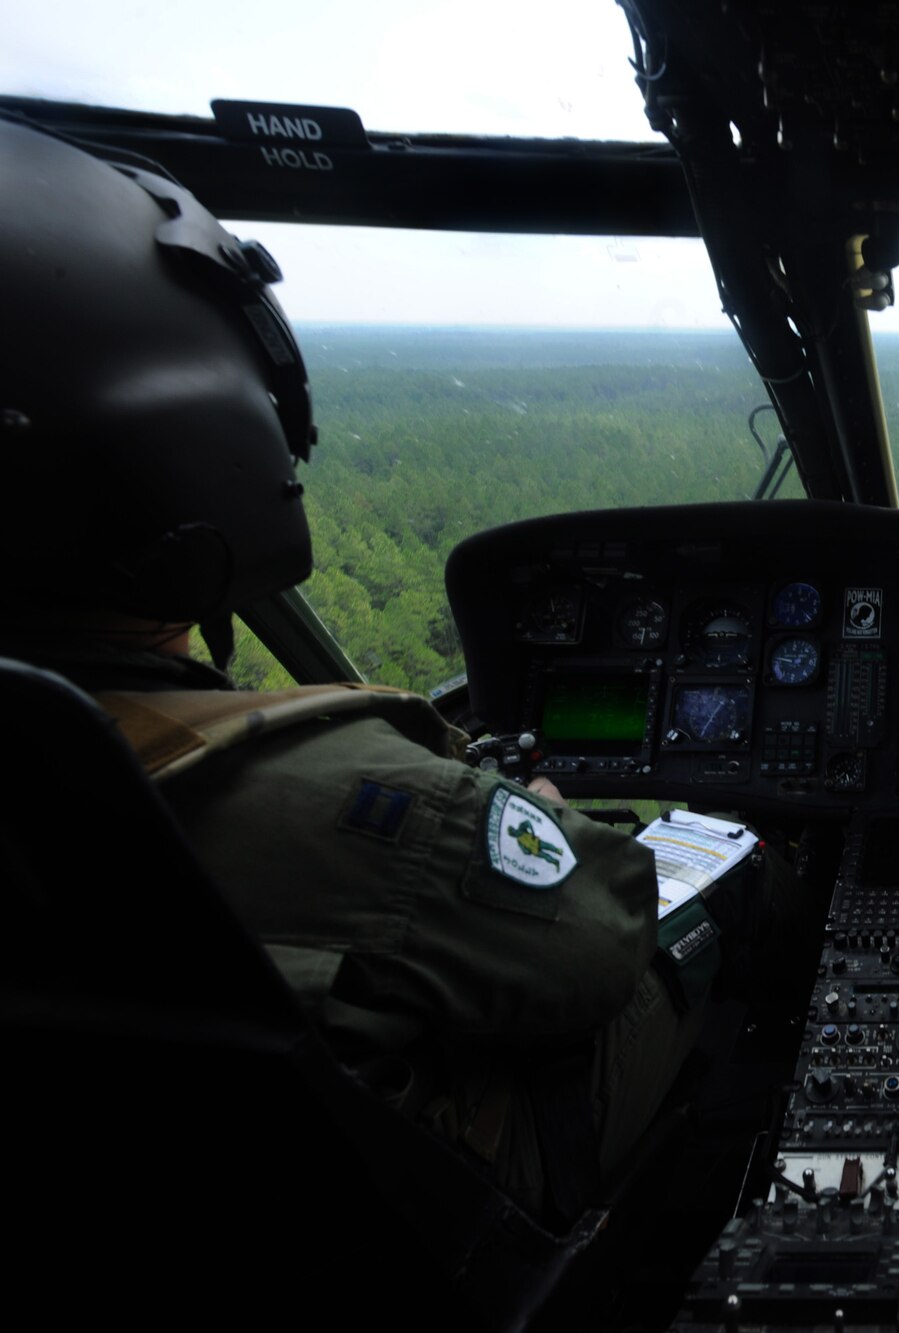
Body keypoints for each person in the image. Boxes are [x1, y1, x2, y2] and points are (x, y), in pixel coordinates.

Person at [0, 117, 698, 1226]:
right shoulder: (361, 809)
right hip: (419, 1231)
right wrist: (538, 817)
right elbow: (600, 932)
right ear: (213, 447)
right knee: (703, 933)